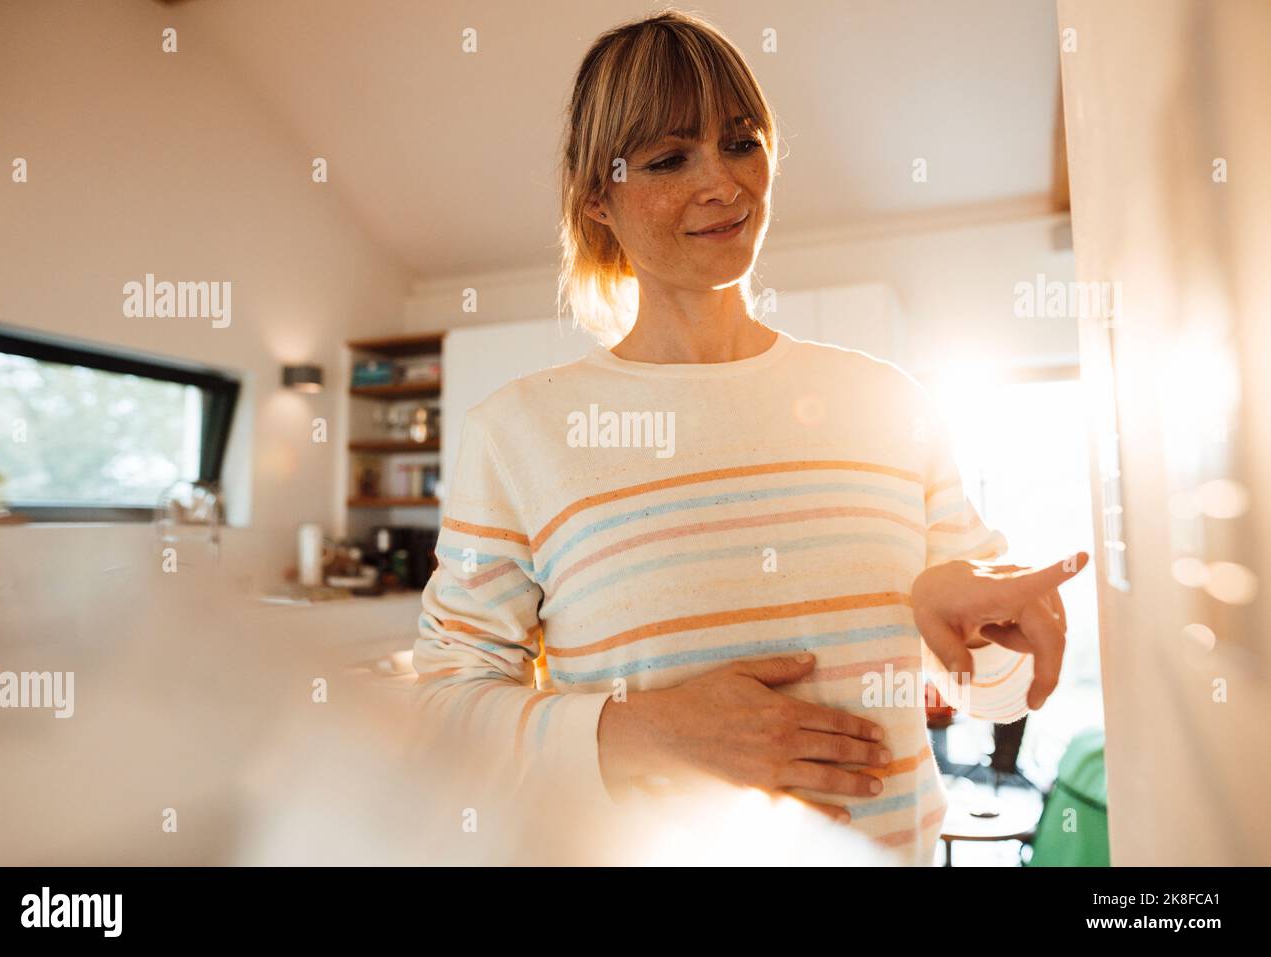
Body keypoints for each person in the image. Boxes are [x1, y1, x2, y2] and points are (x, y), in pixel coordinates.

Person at [408, 9, 1086, 865]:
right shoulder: (518, 434)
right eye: (667, 159)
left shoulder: (887, 401)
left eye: (741, 141)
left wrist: (996, 646)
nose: (724, 184)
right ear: (597, 198)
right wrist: (643, 731)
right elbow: (442, 710)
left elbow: (996, 691)